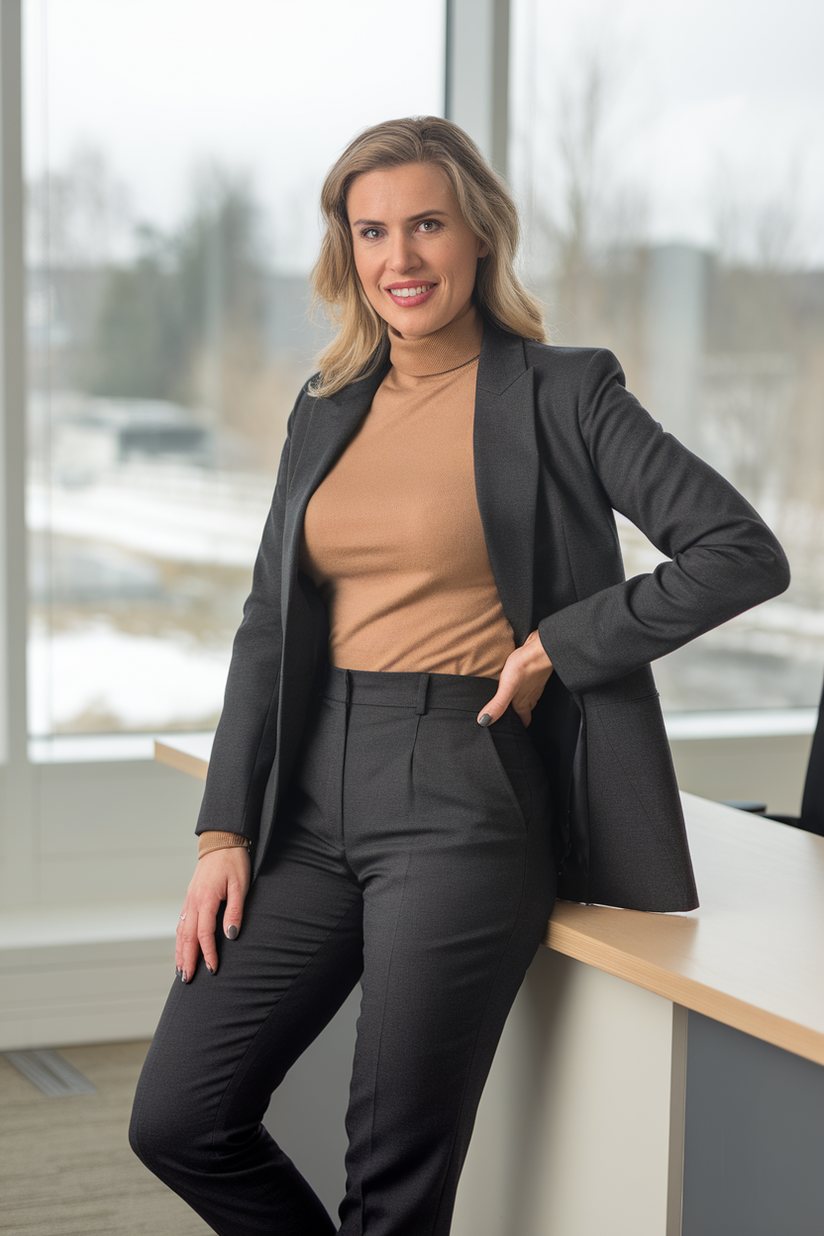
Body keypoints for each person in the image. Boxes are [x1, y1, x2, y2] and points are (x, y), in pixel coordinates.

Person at [129, 117, 789, 1235]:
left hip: (461, 792)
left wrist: (557, 645)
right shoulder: (325, 404)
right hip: (307, 795)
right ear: (346, 252)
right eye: (372, 231)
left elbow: (739, 551)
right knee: (179, 1120)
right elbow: (265, 625)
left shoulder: (563, 392)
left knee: (389, 1180)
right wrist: (221, 834)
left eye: (426, 225)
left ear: (479, 235)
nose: (400, 259)